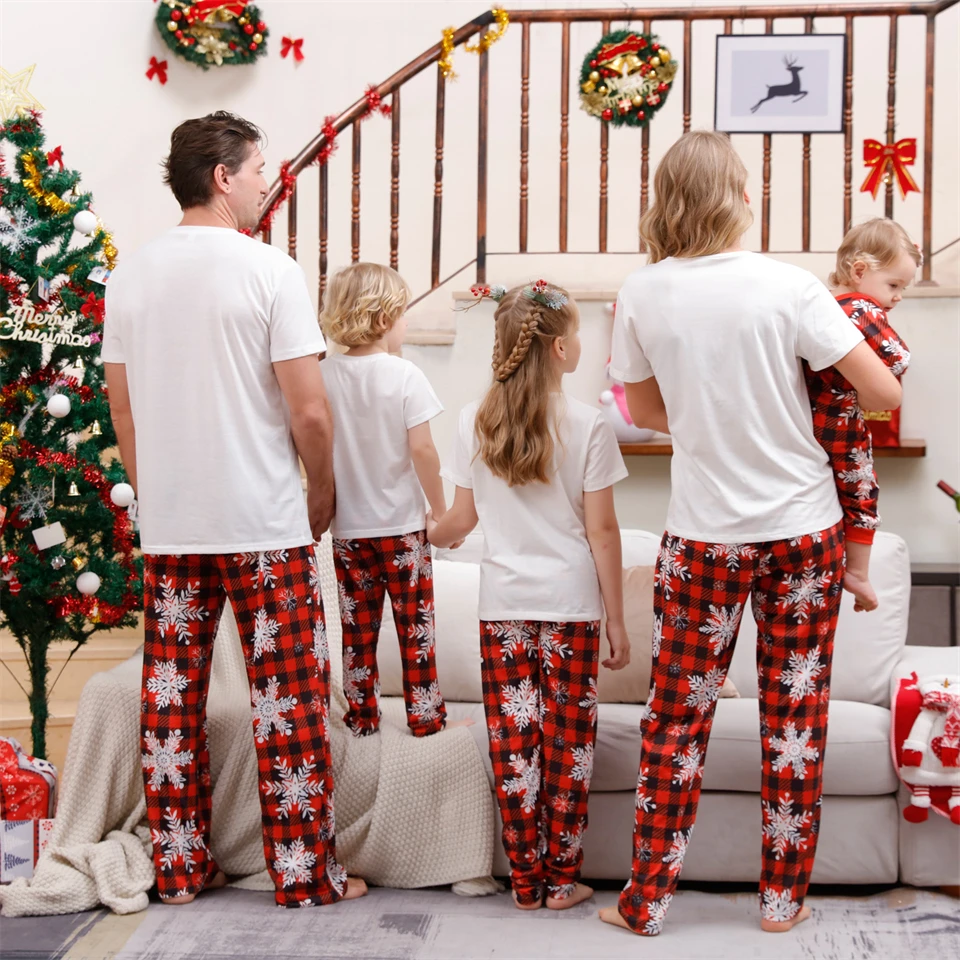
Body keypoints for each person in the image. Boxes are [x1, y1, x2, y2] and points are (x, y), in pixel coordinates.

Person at [598, 132, 902, 936]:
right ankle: (780, 902)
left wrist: (710, 412)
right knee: (793, 713)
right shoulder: (789, 287)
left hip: (702, 536)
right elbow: (879, 390)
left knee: (676, 716)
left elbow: (646, 411)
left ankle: (646, 902)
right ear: (737, 194)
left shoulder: (641, 293)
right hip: (804, 530)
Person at [102, 111, 365, 907]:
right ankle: (301, 876)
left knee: (171, 702)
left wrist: (160, 498)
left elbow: (123, 412)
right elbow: (310, 413)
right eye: (257, 170)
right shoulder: (269, 270)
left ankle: (180, 872)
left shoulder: (130, 276)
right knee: (287, 704)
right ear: (222, 177)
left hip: (175, 530)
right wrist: (321, 487)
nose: (264, 183)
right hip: (263, 528)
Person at [428, 281, 631, 911]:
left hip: (503, 610)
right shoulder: (589, 424)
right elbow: (602, 532)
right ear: (562, 349)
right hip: (570, 609)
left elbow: (458, 523)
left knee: (514, 746)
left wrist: (421, 535)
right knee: (567, 745)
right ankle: (561, 880)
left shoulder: (472, 421)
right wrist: (617, 621)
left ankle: (524, 882)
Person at [318, 262, 472, 738]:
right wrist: (441, 510)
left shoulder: (322, 376)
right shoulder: (404, 375)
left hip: (349, 533)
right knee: (415, 630)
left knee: (357, 632)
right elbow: (423, 450)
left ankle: (362, 718)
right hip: (403, 531)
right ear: (384, 318)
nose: (405, 323)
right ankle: (426, 718)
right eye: (403, 313)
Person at [806, 218, 919, 613]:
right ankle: (857, 571)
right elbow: (898, 358)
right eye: (894, 285)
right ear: (859, 271)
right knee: (861, 492)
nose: (898, 297)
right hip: (839, 422)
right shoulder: (859, 309)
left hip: (808, 423)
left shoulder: (820, 305)